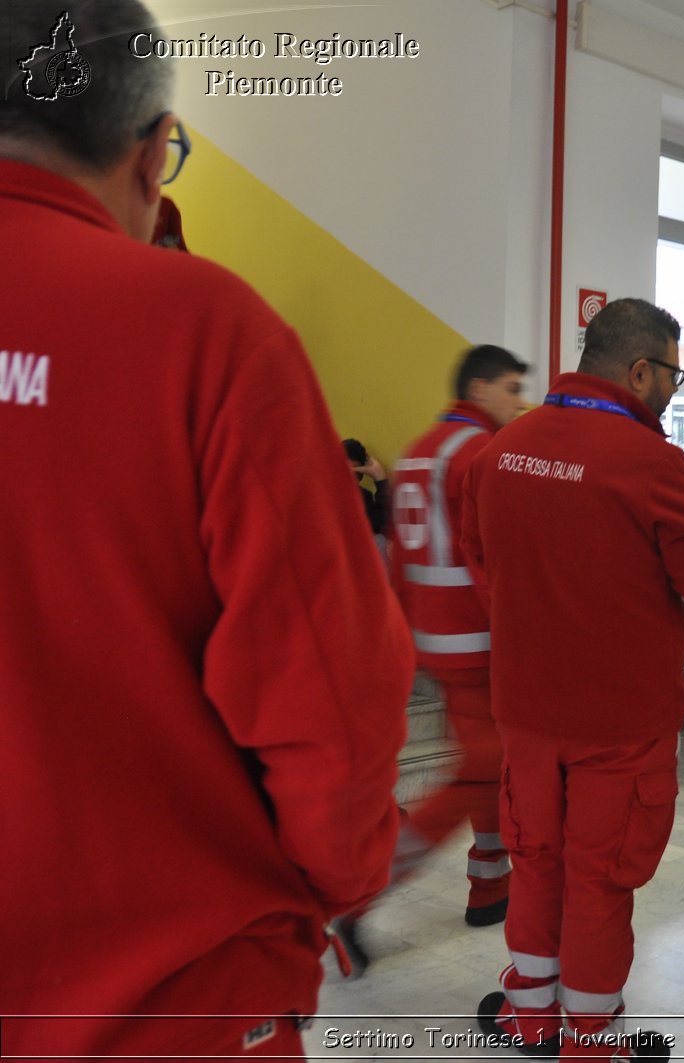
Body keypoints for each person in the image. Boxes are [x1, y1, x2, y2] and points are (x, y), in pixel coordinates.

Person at [0, 2, 413, 1056]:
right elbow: (328, 684)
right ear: (149, 156)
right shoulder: (206, 331)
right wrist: (333, 881)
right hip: (167, 987)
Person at [461, 298, 684, 1060]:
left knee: (537, 863)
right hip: (618, 719)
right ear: (639, 369)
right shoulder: (651, 461)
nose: (673, 391)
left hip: (524, 708)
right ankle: (591, 1040)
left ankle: (531, 1016)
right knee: (600, 878)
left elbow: (484, 563)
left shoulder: (500, 451)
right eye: (673, 375)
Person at [330, 345, 529, 978]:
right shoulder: (476, 453)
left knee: (489, 763)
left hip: (434, 638)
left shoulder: (420, 447)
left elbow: (401, 556)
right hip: (475, 639)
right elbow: (485, 557)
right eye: (511, 387)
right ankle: (358, 899)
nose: (519, 401)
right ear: (480, 388)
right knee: (480, 769)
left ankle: (489, 887)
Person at [344, 437, 389, 540]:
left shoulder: (362, 496)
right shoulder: (321, 495)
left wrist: (380, 478)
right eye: (344, 473)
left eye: (356, 475)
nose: (351, 481)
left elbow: (383, 525)